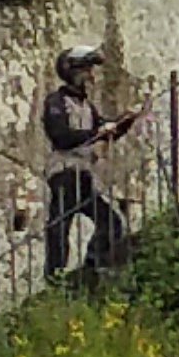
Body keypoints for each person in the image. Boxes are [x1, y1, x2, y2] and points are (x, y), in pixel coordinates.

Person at [39, 45, 143, 284]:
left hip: (84, 175)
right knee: (59, 225)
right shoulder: (57, 101)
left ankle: (93, 262)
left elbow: (104, 133)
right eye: (86, 70)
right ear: (72, 71)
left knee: (111, 223)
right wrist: (96, 131)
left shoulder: (87, 107)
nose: (91, 75)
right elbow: (61, 135)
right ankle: (54, 276)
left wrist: (124, 122)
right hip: (64, 172)